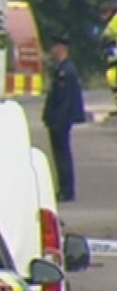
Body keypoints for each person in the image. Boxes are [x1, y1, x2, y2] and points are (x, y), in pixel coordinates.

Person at [41, 34, 86, 203]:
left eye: (54, 47)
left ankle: (66, 190)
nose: (51, 50)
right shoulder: (62, 68)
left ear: (61, 48)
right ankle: (64, 188)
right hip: (58, 120)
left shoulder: (66, 71)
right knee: (60, 154)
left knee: (62, 155)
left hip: (60, 121)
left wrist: (56, 121)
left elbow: (64, 101)